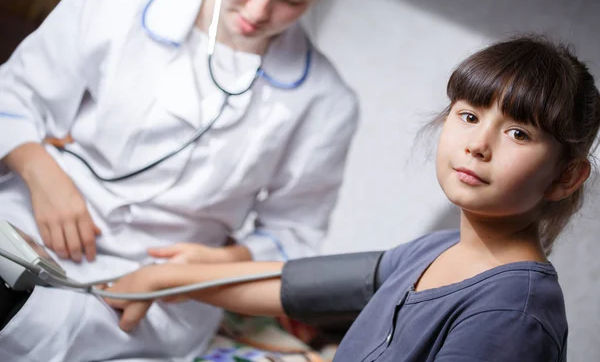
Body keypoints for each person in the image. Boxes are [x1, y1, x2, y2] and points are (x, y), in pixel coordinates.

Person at [104, 36, 600, 361]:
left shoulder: (513, 314)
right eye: (469, 115)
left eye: (518, 133)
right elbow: (289, 285)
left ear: (567, 177)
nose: (478, 143)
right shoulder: (434, 251)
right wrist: (163, 277)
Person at [0, 0, 357, 360]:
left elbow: (295, 234)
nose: (258, 11)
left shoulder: (326, 102)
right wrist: (39, 171)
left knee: (59, 327)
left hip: (165, 285)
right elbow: (14, 95)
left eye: (291, 0)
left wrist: (219, 261)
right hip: (31, 215)